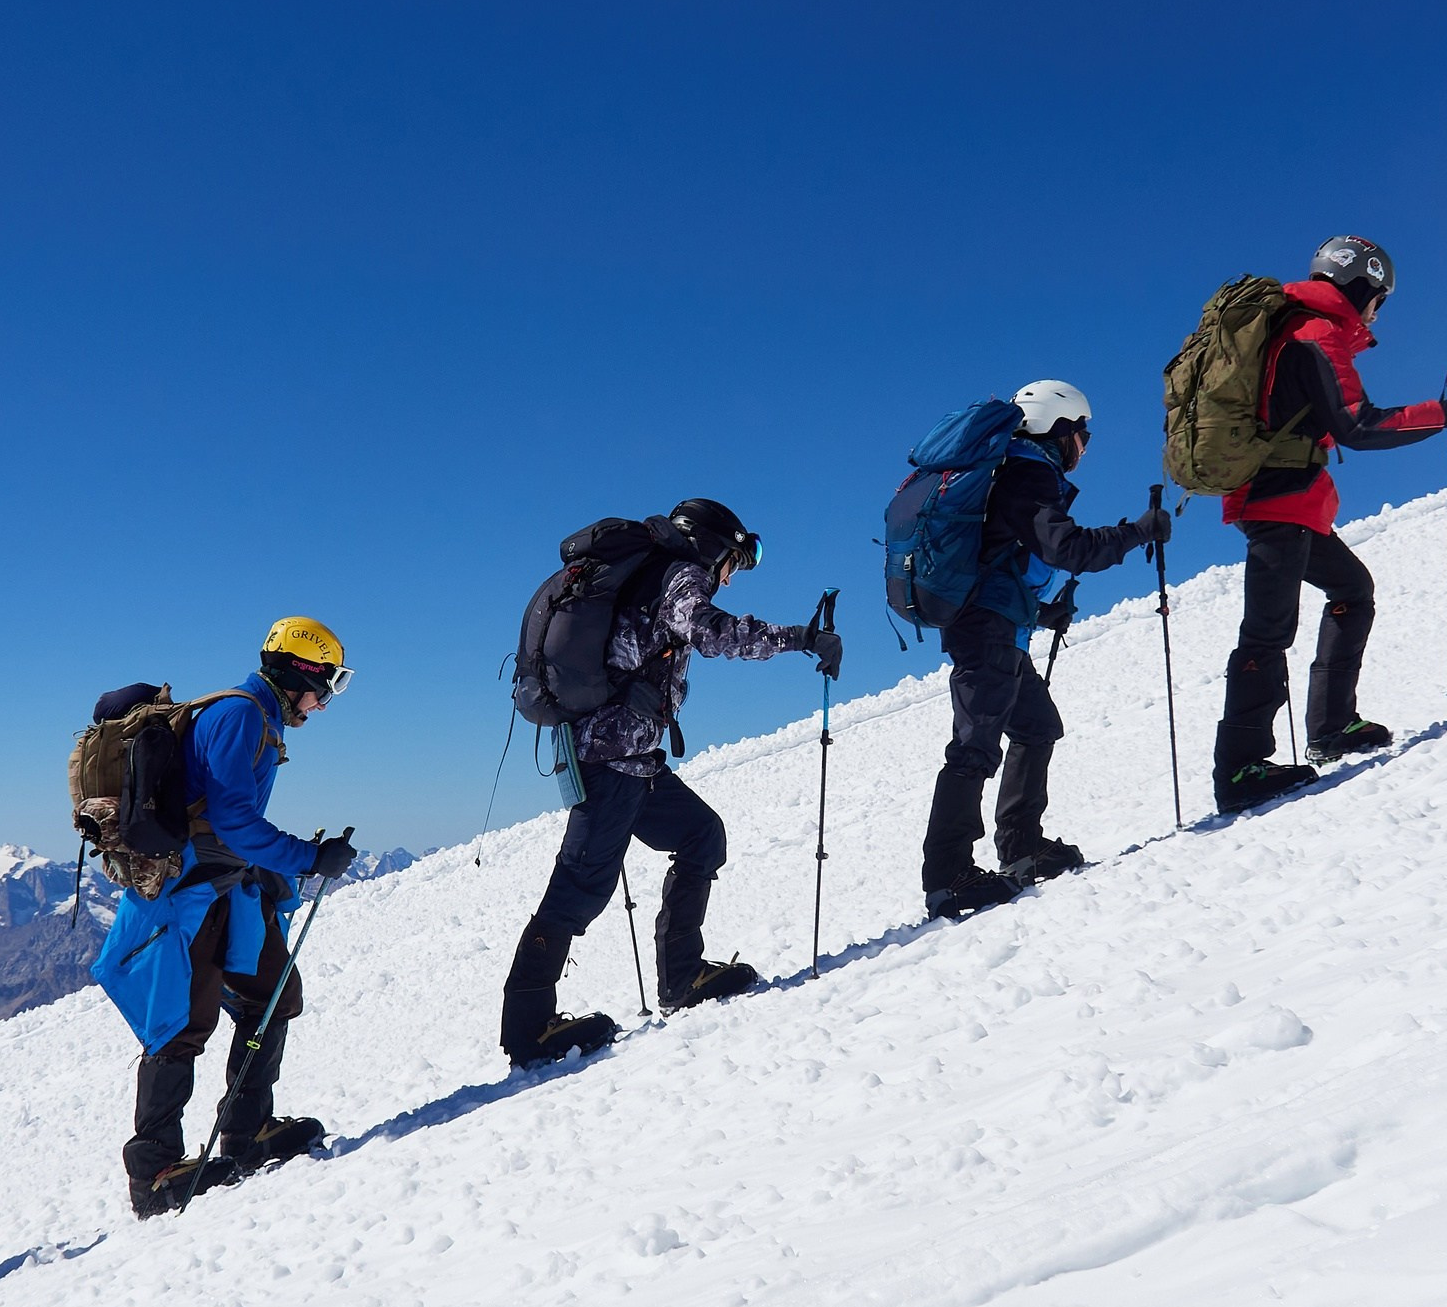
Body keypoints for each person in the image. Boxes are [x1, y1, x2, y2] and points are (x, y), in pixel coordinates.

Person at [501, 499, 839, 1065]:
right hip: (612, 763)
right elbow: (712, 633)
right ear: (712, 546)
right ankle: (528, 1032)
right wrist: (799, 638)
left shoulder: (647, 574)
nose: (730, 575)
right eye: (734, 560)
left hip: (631, 759)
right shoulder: (679, 575)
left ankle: (682, 978)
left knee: (702, 836)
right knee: (578, 891)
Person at [94, 618, 359, 1220]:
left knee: (272, 995)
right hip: (190, 887)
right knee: (182, 1022)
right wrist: (309, 856)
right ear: (301, 672)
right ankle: (156, 1172)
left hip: (227, 883)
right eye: (329, 685)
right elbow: (233, 819)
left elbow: (230, 822)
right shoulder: (241, 716)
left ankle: (246, 1131)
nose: (325, 702)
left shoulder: (256, 718)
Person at [1210, 236, 1447, 814]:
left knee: (1352, 589)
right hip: (1279, 499)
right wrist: (1441, 414)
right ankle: (1241, 769)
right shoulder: (1316, 332)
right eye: (1380, 297)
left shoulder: (1293, 327)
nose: (1378, 311)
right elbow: (1354, 423)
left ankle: (1331, 726)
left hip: (1283, 499)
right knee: (1267, 633)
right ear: (1364, 286)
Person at [919, 381, 1169, 920]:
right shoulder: (1025, 473)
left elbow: (1003, 558)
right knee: (974, 748)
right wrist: (1139, 532)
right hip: (987, 630)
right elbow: (1068, 547)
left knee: (1036, 727)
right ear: (1058, 429)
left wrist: (1042, 611)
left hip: (997, 624)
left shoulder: (1014, 472)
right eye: (1083, 433)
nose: (1085, 444)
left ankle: (1022, 847)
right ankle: (948, 879)